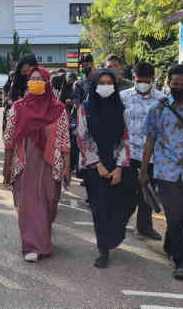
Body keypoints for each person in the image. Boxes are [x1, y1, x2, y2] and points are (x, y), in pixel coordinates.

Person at [140, 64, 183, 280]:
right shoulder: (158, 109)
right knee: (175, 214)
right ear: (168, 83)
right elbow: (149, 140)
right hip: (165, 171)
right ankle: (182, 261)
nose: (178, 87)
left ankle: (171, 244)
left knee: (181, 213)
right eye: (174, 84)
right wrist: (144, 170)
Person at [3, 66, 70, 262]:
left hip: (50, 163)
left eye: (40, 78)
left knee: (49, 203)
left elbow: (65, 140)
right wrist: (6, 166)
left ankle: (43, 238)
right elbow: (9, 139)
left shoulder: (58, 109)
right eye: (32, 78)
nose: (35, 82)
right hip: (24, 162)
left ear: (47, 82)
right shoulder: (18, 107)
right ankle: (32, 246)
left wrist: (66, 166)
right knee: (27, 204)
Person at [77, 68, 135, 268]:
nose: (105, 86)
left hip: (116, 162)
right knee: (100, 208)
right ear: (94, 85)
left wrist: (119, 167)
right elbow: (83, 138)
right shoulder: (85, 107)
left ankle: (113, 237)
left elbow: (125, 138)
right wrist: (97, 164)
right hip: (94, 165)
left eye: (109, 83)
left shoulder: (121, 107)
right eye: (101, 83)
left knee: (121, 205)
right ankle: (103, 250)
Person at [120, 62, 165, 240]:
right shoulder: (122, 97)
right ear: (133, 79)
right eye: (139, 80)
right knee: (127, 192)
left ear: (153, 80)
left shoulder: (162, 99)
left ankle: (144, 226)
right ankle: (120, 223)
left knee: (147, 192)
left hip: (152, 155)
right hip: (128, 154)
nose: (143, 84)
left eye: (147, 81)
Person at [3, 55, 38, 132]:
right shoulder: (14, 77)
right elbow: (5, 89)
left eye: (29, 71)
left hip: (32, 120)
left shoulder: (39, 81)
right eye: (24, 72)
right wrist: (5, 100)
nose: (27, 74)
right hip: (13, 117)